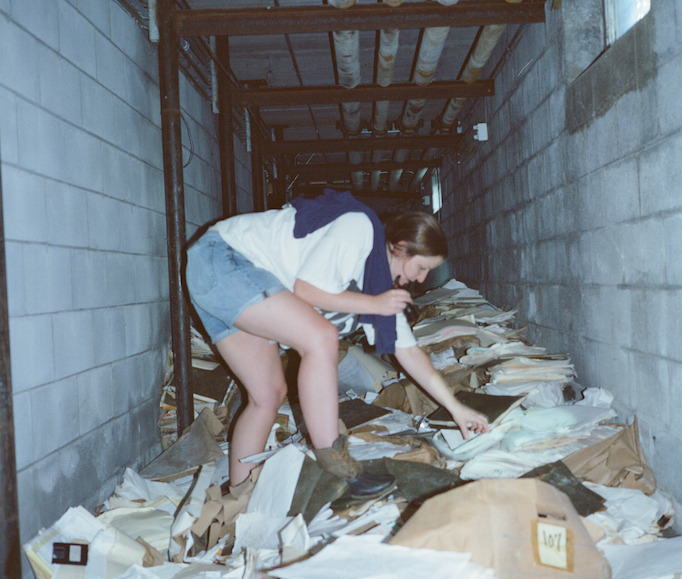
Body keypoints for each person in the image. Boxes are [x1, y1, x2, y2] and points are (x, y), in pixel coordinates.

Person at [185, 188, 489, 497]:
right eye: (422, 267)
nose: (422, 279)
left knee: (267, 395)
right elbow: (307, 290)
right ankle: (336, 463)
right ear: (400, 248)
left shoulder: (378, 286)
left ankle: (239, 494)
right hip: (224, 258)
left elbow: (409, 352)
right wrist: (375, 305)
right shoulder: (359, 227)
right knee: (322, 338)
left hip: (215, 280)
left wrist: (455, 408)